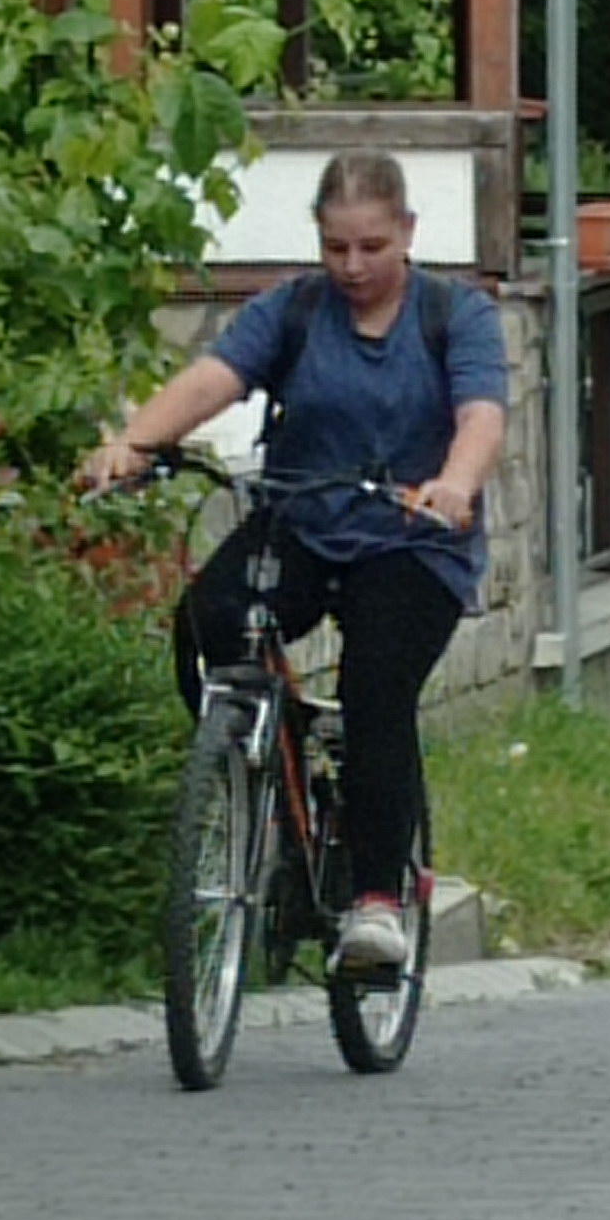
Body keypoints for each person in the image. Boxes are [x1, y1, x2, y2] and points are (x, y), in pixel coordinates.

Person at [85, 150, 508, 969]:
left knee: (375, 691)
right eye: (335, 247)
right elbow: (213, 380)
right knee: (207, 620)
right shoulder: (294, 311)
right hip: (305, 522)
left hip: (413, 538)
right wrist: (133, 443)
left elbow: (481, 413)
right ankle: (254, 777)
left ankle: (376, 900)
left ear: (408, 233)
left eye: (372, 247)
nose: (353, 266)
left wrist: (455, 484)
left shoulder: (454, 315)